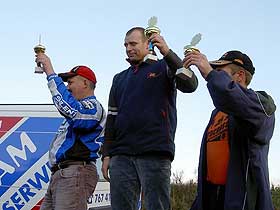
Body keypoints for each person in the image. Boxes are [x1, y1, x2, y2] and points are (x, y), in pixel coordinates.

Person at [101, 27, 198, 210]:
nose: (129, 48)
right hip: (121, 154)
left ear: (148, 44)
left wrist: (167, 52)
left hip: (155, 151)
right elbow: (112, 118)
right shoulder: (119, 78)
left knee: (157, 206)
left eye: (133, 43)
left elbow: (190, 84)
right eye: (126, 45)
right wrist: (107, 153)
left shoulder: (164, 66)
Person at [183, 50, 276, 210]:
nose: (214, 75)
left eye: (220, 71)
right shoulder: (218, 112)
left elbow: (234, 98)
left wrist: (210, 74)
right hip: (213, 197)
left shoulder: (261, 105)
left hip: (242, 201)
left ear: (240, 75)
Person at [35, 54, 106, 210]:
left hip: (75, 172)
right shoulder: (79, 109)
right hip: (61, 174)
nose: (67, 86)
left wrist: (50, 72)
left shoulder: (94, 107)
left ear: (86, 83)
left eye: (71, 82)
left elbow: (72, 110)